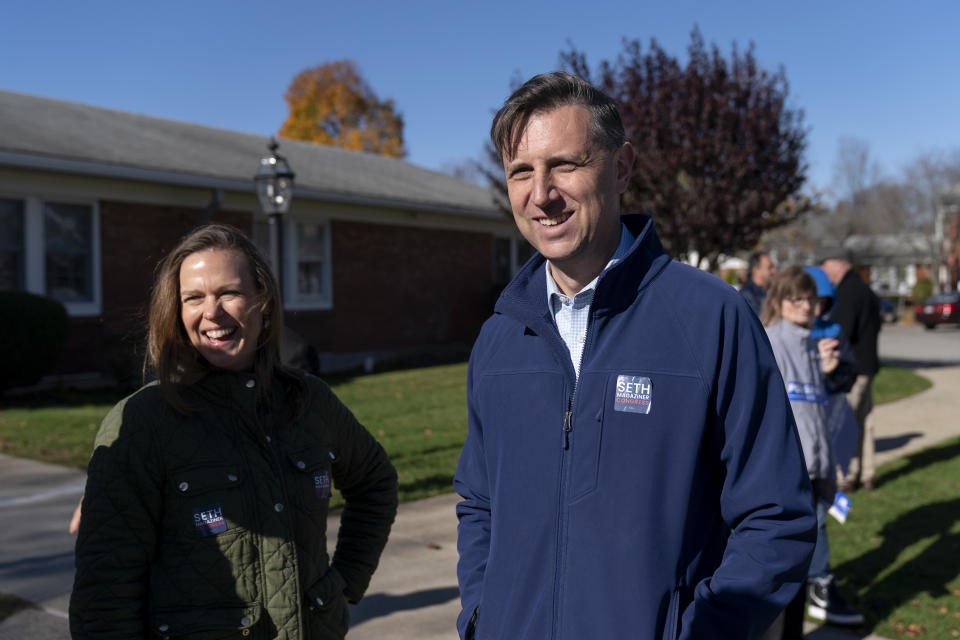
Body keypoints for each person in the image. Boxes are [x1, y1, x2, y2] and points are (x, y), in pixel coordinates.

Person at [454, 71, 816, 640]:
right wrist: (479, 616)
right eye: (521, 171)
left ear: (621, 167)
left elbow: (777, 516)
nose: (541, 193)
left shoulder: (712, 318)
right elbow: (479, 504)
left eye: (564, 165)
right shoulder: (500, 338)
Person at [70, 224, 398, 639]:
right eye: (193, 298)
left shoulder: (309, 401)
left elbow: (376, 482)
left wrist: (345, 580)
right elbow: (104, 591)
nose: (212, 312)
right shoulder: (143, 421)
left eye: (228, 293)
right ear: (176, 311)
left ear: (262, 301)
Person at [761, 267, 861, 634]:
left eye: (811, 299)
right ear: (779, 302)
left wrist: (829, 470)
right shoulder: (770, 341)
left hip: (815, 471)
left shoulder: (810, 345)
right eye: (796, 299)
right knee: (785, 568)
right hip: (788, 474)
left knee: (801, 564)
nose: (806, 306)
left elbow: (817, 415)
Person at [820, 248, 882, 491]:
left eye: (826, 270)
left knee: (846, 423)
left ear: (839, 266)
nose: (826, 276)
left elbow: (841, 331)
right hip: (869, 366)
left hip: (853, 368)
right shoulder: (867, 290)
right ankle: (868, 473)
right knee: (865, 420)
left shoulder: (846, 293)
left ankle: (845, 476)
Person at [741, 250, 777, 316]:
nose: (774, 271)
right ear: (756, 270)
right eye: (769, 267)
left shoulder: (773, 291)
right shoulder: (746, 295)